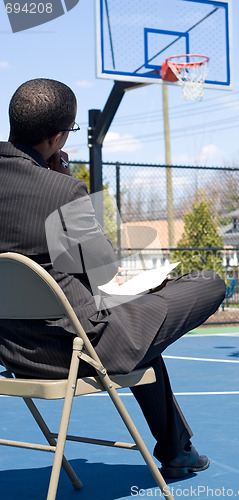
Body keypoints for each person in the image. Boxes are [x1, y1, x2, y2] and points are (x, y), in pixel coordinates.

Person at [0, 78, 226, 478]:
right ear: (56, 137)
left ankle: (177, 449)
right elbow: (104, 276)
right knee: (208, 281)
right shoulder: (62, 190)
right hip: (80, 350)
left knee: (143, 330)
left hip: (11, 351)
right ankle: (176, 451)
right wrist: (60, 180)